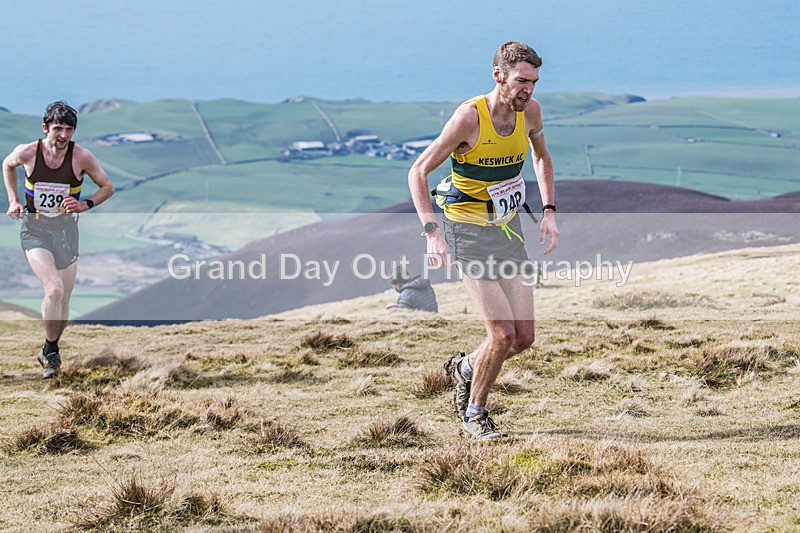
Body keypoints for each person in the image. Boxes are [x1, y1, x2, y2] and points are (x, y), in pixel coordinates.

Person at [408, 41, 558, 439]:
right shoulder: (468, 118)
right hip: (466, 231)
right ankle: (475, 415)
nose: (529, 90)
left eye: (535, 82)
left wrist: (549, 211)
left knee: (523, 337)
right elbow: (418, 172)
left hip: (507, 229)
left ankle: (465, 367)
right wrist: (431, 233)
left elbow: (542, 157)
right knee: (502, 334)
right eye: (522, 81)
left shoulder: (532, 113)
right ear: (498, 75)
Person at [2, 101, 115, 379]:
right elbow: (7, 164)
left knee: (63, 301)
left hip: (66, 231)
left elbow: (107, 187)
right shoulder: (28, 152)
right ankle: (51, 356)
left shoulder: (82, 157)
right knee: (53, 289)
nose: (63, 135)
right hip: (35, 228)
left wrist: (84, 204)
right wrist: (14, 200)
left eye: (68, 129)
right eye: (57, 129)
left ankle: (50, 347)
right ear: (45, 128)